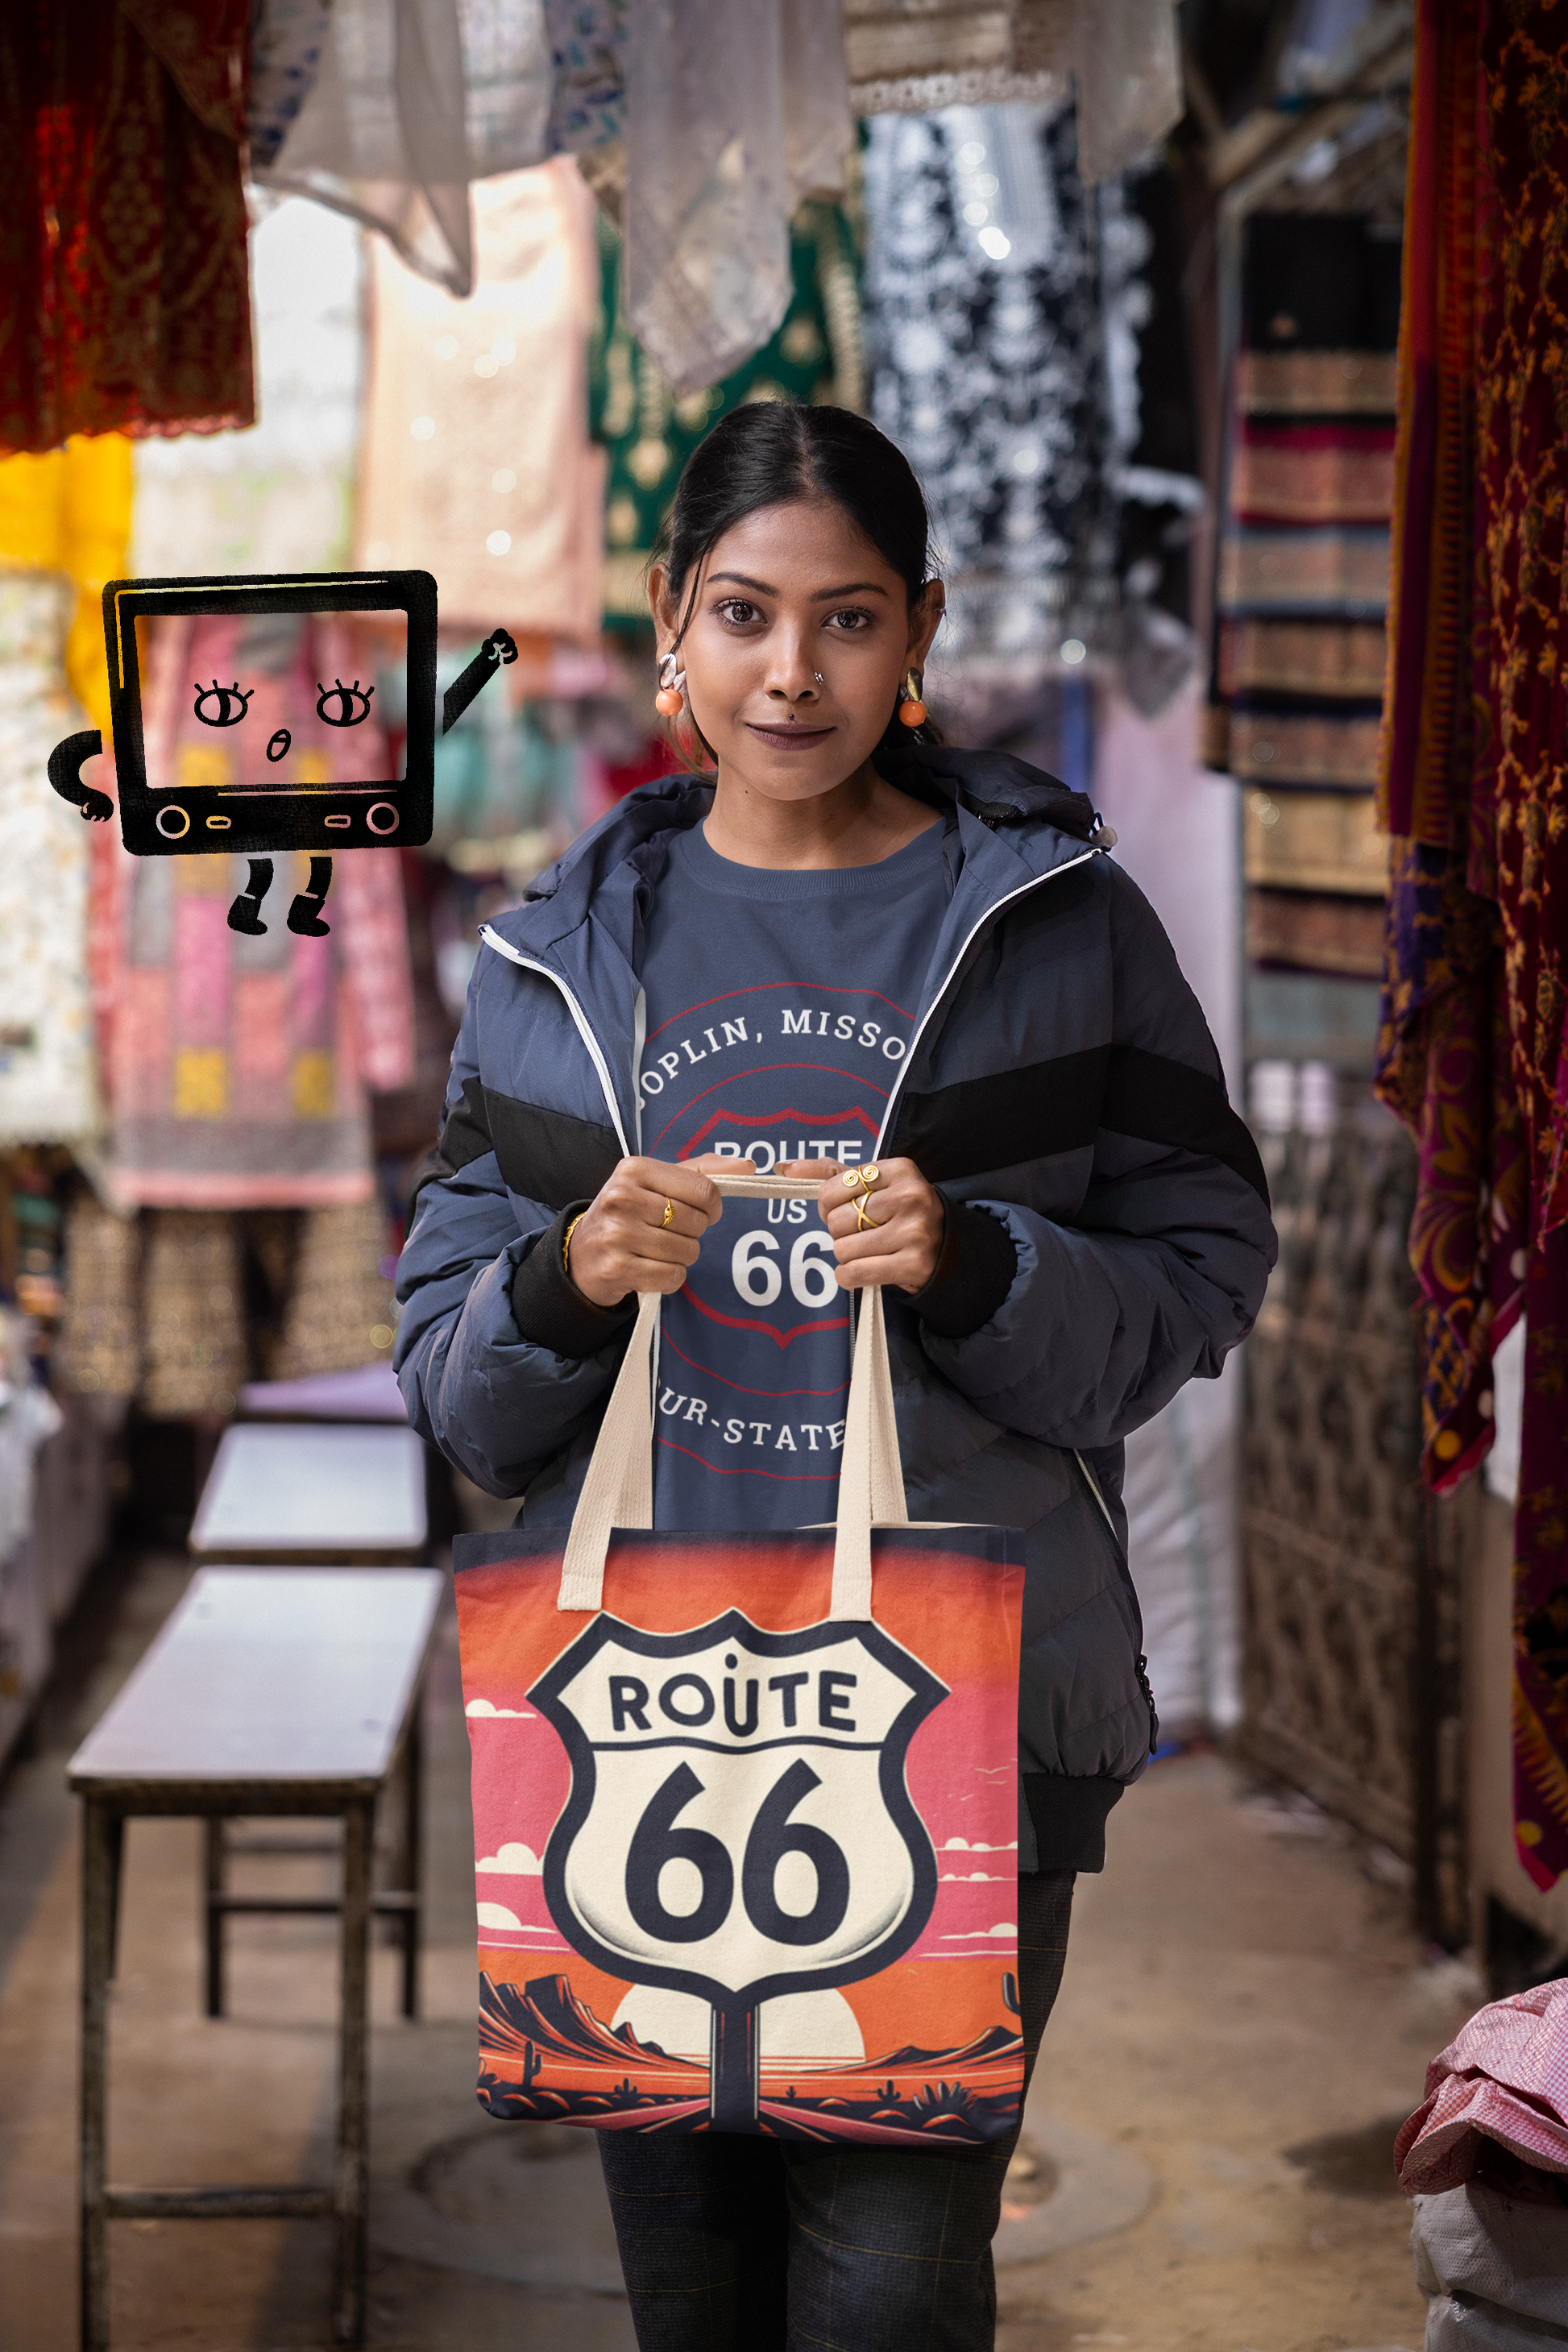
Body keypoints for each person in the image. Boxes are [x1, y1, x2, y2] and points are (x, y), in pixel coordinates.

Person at [396, 403, 1276, 2350]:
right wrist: (563, 1278)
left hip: (949, 1712)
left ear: (922, 632)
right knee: (690, 2297)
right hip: (633, 1709)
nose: (792, 671)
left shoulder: (1063, 924)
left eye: (849, 618)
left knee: (886, 2290)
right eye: (745, 614)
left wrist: (982, 1262)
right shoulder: (551, 958)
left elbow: (1209, 1267)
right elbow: (456, 1391)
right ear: (667, 626)